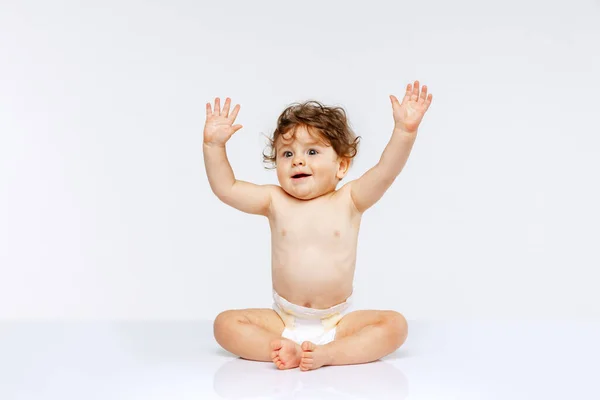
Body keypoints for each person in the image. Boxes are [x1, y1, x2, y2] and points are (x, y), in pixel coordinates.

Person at [203, 81, 433, 371]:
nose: (298, 160)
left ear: (341, 166)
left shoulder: (350, 199)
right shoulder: (274, 200)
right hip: (283, 320)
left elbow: (386, 171)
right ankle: (280, 348)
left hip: (336, 322)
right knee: (225, 325)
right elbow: (227, 187)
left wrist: (404, 132)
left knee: (394, 325)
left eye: (312, 152)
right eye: (287, 154)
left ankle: (331, 353)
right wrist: (214, 146)